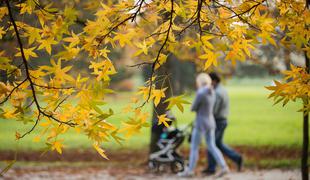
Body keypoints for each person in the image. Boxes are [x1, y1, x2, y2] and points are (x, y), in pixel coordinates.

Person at [178, 73, 229, 177]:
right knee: (212, 145)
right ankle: (224, 167)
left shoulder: (201, 93)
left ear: (199, 82)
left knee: (194, 147)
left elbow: (193, 108)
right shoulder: (212, 91)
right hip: (211, 121)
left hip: (200, 123)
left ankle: (190, 171)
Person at [202, 72, 243, 175]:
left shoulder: (217, 93)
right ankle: (237, 158)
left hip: (218, 121)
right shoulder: (222, 89)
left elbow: (213, 110)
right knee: (218, 144)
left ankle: (211, 168)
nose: (208, 84)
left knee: (211, 143)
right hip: (222, 121)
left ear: (214, 81)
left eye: (209, 82)